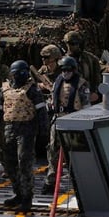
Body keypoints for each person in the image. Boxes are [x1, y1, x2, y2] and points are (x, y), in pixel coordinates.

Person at [0, 60, 48, 210]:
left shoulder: (32, 90)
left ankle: (27, 197)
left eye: (24, 73)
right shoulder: (4, 90)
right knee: (9, 164)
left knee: (24, 162)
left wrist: (44, 132)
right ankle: (18, 193)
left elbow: (42, 112)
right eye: (18, 73)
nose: (21, 76)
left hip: (27, 129)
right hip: (9, 128)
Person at [42, 56, 90, 195]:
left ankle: (80, 184)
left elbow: (86, 105)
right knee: (52, 151)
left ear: (74, 70)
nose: (65, 72)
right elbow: (52, 100)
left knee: (75, 154)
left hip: (73, 121)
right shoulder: (58, 82)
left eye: (68, 69)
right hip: (58, 120)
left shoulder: (81, 85)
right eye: (63, 69)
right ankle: (51, 181)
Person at [63, 30, 104, 103]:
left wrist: (95, 91)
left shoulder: (90, 59)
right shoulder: (63, 61)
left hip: (89, 95)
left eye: (73, 44)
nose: (70, 47)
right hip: (71, 97)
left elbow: (97, 77)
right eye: (68, 44)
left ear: (79, 44)